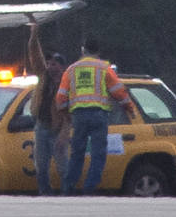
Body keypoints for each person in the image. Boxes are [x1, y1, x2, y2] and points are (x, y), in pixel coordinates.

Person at [56, 38, 132, 196]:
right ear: (98, 51)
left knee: (77, 153)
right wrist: (129, 108)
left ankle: (68, 189)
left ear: (83, 50)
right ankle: (89, 189)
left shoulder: (71, 69)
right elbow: (119, 92)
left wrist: (66, 114)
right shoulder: (104, 68)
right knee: (98, 154)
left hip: (79, 116)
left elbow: (61, 98)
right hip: (99, 115)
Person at [32, 52, 69, 195]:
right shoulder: (43, 78)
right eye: (48, 64)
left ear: (61, 66)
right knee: (41, 165)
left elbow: (69, 113)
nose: (49, 67)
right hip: (41, 126)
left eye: (53, 64)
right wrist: (33, 36)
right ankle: (45, 193)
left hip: (57, 129)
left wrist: (64, 134)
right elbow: (35, 56)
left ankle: (67, 193)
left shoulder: (66, 84)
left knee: (63, 167)